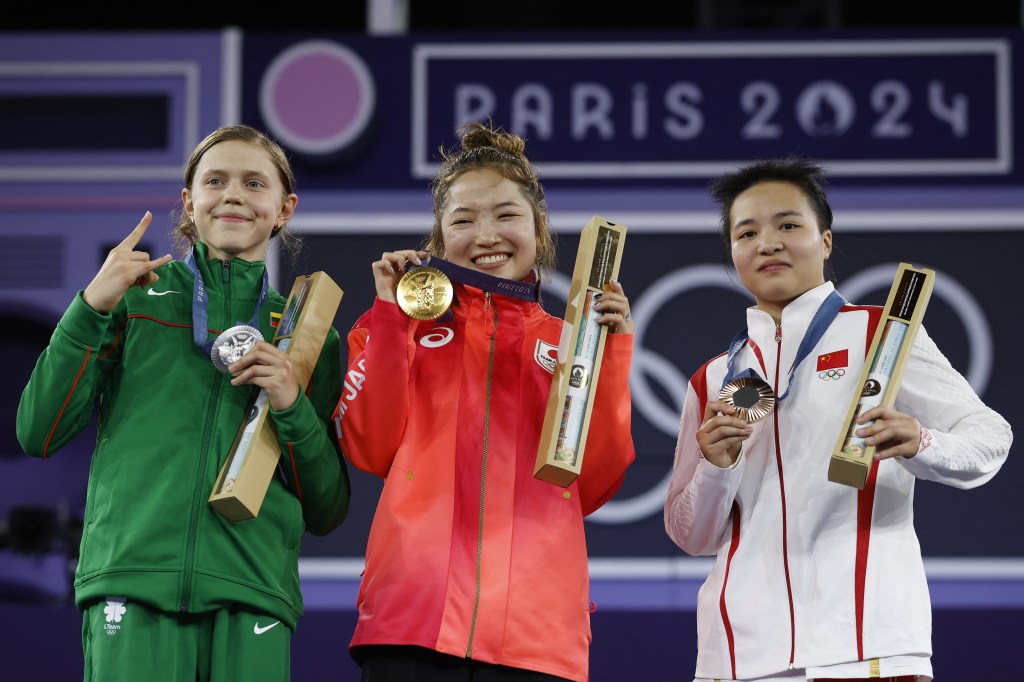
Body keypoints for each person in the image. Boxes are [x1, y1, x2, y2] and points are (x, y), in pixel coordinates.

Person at [16, 124, 351, 681]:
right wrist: (91, 306)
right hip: (132, 580)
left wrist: (290, 401)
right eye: (215, 180)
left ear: (284, 208)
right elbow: (38, 431)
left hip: (251, 592)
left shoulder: (308, 336)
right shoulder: (133, 299)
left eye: (253, 183)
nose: (233, 195)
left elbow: (328, 508)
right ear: (189, 203)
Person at [664, 156, 1012, 682]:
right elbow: (690, 535)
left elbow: (990, 436)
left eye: (788, 225)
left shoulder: (882, 336)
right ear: (733, 254)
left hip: (865, 643)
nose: (768, 242)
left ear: (825, 241)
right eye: (747, 232)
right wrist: (715, 467)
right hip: (738, 657)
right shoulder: (715, 379)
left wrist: (923, 441)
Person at [332, 120, 636, 681]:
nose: (486, 234)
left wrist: (610, 356)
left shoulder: (569, 340)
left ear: (538, 228)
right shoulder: (398, 328)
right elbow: (369, 449)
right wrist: (391, 320)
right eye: (464, 220)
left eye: (506, 215)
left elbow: (592, 482)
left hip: (536, 631)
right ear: (439, 238)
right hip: (412, 621)